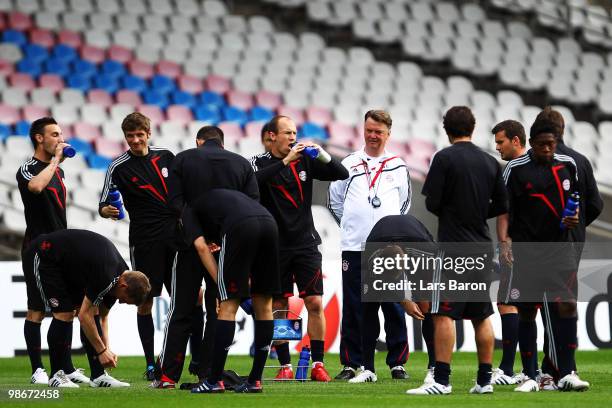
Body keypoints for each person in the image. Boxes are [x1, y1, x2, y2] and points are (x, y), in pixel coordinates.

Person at [407, 106, 508, 395]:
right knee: (481, 315)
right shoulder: (490, 162)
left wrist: (454, 210)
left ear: (446, 129)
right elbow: (502, 205)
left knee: (444, 314)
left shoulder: (444, 158)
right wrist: (476, 211)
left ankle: (441, 380)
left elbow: (431, 203)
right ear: (473, 128)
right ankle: (485, 380)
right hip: (482, 246)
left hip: (453, 247)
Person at [153, 125, 259, 388]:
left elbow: (174, 203)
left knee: (181, 308)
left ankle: (167, 377)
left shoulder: (183, 159)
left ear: (198, 141)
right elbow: (251, 205)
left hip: (190, 244)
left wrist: (198, 233)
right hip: (226, 247)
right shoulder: (242, 164)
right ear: (222, 143)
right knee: (220, 310)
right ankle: (210, 375)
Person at [98, 112, 202, 381]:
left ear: (148, 132)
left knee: (190, 298)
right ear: (125, 137)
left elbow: (186, 188)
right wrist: (107, 210)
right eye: (130, 136)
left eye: (139, 134)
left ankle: (198, 359)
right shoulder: (118, 167)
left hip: (176, 236)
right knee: (145, 301)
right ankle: (150, 363)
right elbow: (103, 203)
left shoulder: (167, 156)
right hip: (145, 240)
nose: (135, 140)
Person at [250, 115, 348, 382]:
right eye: (287, 133)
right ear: (271, 136)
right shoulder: (257, 163)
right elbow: (251, 184)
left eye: (294, 132)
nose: (293, 137)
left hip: (306, 243)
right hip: (275, 247)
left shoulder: (306, 160)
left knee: (314, 301)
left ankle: (317, 364)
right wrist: (285, 161)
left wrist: (324, 155)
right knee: (280, 305)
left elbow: (342, 173)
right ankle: (285, 365)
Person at [501, 115, 590, 392]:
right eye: (542, 145)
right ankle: (530, 376)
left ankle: (568, 371)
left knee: (567, 305)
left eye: (552, 144)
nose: (548, 150)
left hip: (560, 249)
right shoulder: (515, 169)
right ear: (531, 143)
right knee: (527, 311)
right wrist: (504, 242)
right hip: (527, 251)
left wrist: (573, 218)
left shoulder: (569, 166)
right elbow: (504, 210)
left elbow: (574, 203)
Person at [328, 110, 412, 382]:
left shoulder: (398, 166)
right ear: (363, 130)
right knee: (355, 306)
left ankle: (397, 363)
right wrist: (353, 226)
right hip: (354, 247)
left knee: (393, 305)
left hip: (387, 250)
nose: (373, 136)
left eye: (379, 132)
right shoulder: (349, 163)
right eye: (369, 130)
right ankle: (353, 364)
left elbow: (404, 204)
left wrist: (389, 234)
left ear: (388, 134)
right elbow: (335, 202)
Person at [22, 229, 151, 388]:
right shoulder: (107, 275)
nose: (121, 303)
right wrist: (102, 351)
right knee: (64, 313)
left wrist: (106, 350)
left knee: (93, 311)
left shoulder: (118, 278)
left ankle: (98, 375)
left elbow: (102, 317)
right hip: (44, 255)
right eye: (125, 300)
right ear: (124, 287)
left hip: (67, 266)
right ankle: (55, 374)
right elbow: (84, 317)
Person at [532, 107, 603, 388]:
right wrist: (577, 225)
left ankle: (552, 369)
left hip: (546, 246)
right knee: (565, 306)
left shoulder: (536, 160)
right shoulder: (581, 161)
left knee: (549, 307)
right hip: (573, 245)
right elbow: (596, 204)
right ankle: (566, 368)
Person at [184, 189, 281, 393]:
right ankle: (255, 381)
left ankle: (214, 381)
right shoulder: (220, 200)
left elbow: (202, 248)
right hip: (269, 223)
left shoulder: (188, 210)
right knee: (264, 305)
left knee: (228, 306)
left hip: (240, 225)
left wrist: (222, 285)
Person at [16, 117, 88, 385]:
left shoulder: (60, 171)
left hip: (62, 248)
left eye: (61, 134)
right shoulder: (28, 168)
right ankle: (37, 370)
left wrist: (56, 164)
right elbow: (35, 187)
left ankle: (65, 368)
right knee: (36, 310)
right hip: (38, 248)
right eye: (54, 134)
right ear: (39, 138)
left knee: (66, 310)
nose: (60, 138)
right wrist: (56, 160)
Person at [489, 120, 527, 386]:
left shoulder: (513, 169)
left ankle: (506, 368)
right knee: (532, 307)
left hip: (517, 247)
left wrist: (504, 243)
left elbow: (503, 210)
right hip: (544, 248)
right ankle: (542, 369)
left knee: (507, 303)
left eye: (500, 142)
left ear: (516, 140)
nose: (497, 147)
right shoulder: (544, 165)